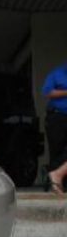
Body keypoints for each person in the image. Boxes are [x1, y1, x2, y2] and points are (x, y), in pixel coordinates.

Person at [43, 61, 67, 195]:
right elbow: (47, 92)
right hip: (57, 117)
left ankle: (58, 177)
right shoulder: (57, 73)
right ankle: (55, 185)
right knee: (56, 150)